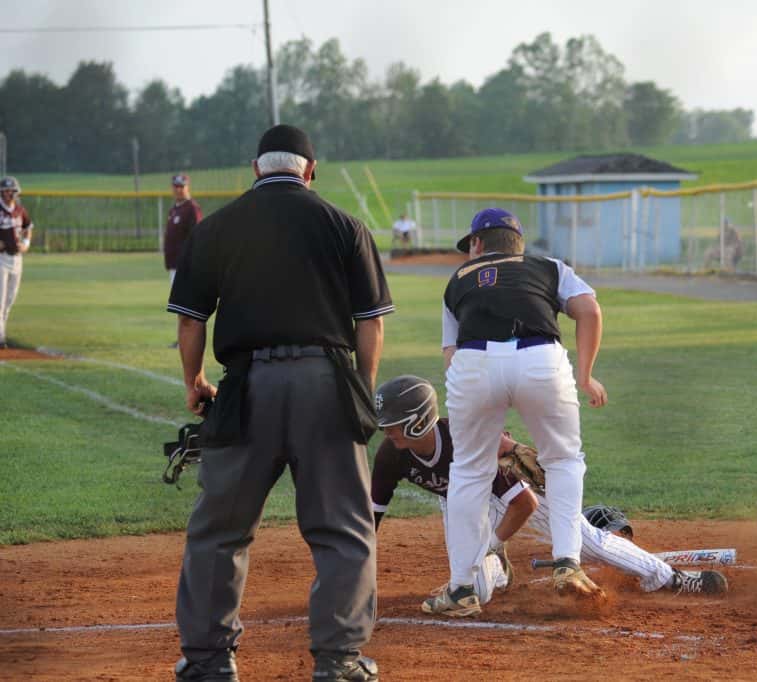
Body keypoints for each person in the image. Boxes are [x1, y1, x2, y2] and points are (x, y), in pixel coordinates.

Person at [167, 124, 392, 682]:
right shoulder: (344, 225)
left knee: (220, 530)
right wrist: (360, 389)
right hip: (326, 385)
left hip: (246, 388)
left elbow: (191, 321)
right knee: (342, 530)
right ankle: (338, 662)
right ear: (310, 171)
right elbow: (370, 323)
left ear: (255, 169)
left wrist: (195, 381)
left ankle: (210, 662)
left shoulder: (218, 226)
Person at [371, 376, 727, 616]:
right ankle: (498, 572)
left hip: (510, 495)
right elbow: (372, 513)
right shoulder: (391, 455)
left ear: (419, 421)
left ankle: (669, 578)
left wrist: (492, 543)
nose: (385, 431)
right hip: (461, 502)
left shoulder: (467, 443)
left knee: (586, 542)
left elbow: (523, 504)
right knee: (472, 593)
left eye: (392, 423)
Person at [429, 207, 608, 617]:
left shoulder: (457, 280)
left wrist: (481, 407)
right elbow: (590, 310)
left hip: (473, 361)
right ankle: (567, 563)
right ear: (519, 245)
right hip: (540, 358)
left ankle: (461, 589)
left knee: (470, 471)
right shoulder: (549, 267)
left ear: (477, 244)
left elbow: (451, 355)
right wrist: (585, 376)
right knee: (563, 460)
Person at [164, 174, 202, 349]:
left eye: (182, 186)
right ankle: (181, 340)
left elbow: (198, 237)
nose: (178, 189)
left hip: (185, 266)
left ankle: (186, 341)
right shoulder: (174, 209)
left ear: (188, 187)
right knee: (179, 306)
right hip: (174, 266)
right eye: (176, 186)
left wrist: (193, 263)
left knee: (185, 307)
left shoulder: (191, 208)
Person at [0, 176, 33, 350]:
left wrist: (26, 243)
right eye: (6, 191)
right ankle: (0, 338)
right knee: (0, 300)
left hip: (17, 260)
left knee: (9, 300)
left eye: (12, 191)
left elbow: (28, 227)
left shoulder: (20, 210)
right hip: (1, 259)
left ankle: (2, 333)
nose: (9, 194)